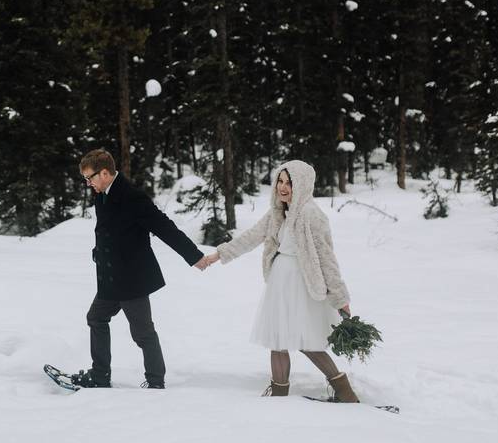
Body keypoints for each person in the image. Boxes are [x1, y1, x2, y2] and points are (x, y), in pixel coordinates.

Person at [200, 159, 361, 402]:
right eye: (280, 182)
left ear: (304, 185)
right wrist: (219, 254)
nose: (283, 188)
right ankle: (279, 393)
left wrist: (340, 298)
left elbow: (327, 259)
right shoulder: (278, 211)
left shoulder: (312, 215)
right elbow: (252, 236)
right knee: (278, 338)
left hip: (302, 283)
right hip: (280, 282)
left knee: (306, 341)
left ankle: (344, 391)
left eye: (290, 183)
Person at [73, 149, 209, 389]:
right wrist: (100, 251)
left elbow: (164, 227)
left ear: (104, 172)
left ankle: (156, 382)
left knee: (142, 332)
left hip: (131, 278)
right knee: (96, 318)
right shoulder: (102, 194)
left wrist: (194, 256)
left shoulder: (132, 197)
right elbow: (110, 230)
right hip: (111, 277)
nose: (88, 183)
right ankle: (100, 376)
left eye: (90, 177)